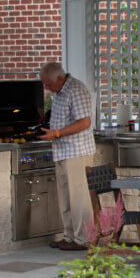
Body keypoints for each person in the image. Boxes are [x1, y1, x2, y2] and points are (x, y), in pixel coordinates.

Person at [38, 62, 96, 251]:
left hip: (77, 152)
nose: (46, 88)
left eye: (48, 84)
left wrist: (57, 134)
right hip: (62, 152)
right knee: (65, 198)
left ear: (60, 78)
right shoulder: (60, 93)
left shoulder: (75, 90)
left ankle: (84, 239)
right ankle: (70, 236)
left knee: (79, 198)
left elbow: (85, 122)